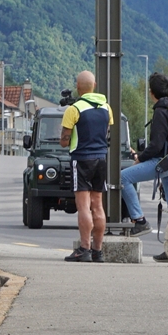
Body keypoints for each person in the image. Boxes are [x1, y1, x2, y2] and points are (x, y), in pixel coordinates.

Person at [120, 72, 168, 262]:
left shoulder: (160, 111)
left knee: (124, 177)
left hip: (164, 162)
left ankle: (139, 220)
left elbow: (156, 145)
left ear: (151, 92)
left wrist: (140, 157)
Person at [59, 70, 112, 263]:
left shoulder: (74, 109)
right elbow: (107, 133)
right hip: (101, 159)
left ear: (78, 87)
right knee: (97, 204)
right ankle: (98, 250)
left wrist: (66, 136)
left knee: (84, 206)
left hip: (81, 158)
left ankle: (84, 249)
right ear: (95, 86)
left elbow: (64, 141)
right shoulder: (107, 107)